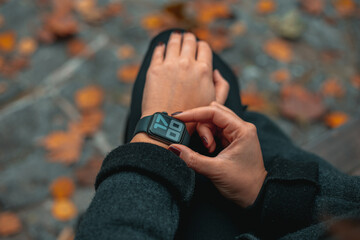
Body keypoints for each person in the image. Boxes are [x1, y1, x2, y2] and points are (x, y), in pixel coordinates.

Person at [75, 29, 360, 240]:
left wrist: (153, 142)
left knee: (173, 49)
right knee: (198, 69)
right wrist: (263, 191)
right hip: (296, 206)